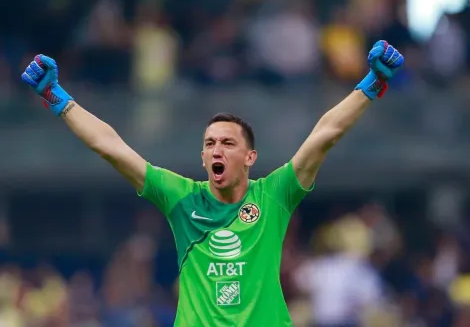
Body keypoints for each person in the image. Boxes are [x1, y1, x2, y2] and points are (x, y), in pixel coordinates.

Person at [20, 40, 404, 326]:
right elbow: (111, 147)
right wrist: (58, 98)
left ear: (249, 157)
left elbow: (325, 134)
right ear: (203, 158)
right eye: (209, 144)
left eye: (227, 143)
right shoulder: (181, 199)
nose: (216, 150)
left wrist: (371, 83)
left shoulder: (274, 195)